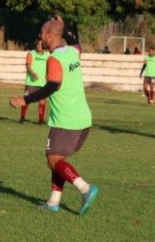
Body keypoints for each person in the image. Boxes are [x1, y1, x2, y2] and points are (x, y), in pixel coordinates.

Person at [10, 16, 98, 215]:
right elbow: (75, 42)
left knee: (53, 161)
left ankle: (85, 189)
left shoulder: (54, 59)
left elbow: (52, 85)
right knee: (57, 160)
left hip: (66, 120)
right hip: (83, 119)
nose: (40, 36)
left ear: (49, 35)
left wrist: (25, 100)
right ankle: (53, 202)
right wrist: (63, 27)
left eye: (42, 32)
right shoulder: (73, 52)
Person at [20, 39, 49, 124]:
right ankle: (22, 118)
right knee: (26, 100)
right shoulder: (31, 54)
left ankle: (40, 121)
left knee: (42, 101)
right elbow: (28, 66)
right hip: (31, 83)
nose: (39, 46)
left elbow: (49, 67)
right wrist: (33, 74)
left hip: (42, 83)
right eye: (38, 44)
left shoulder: (47, 55)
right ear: (35, 45)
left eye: (41, 44)